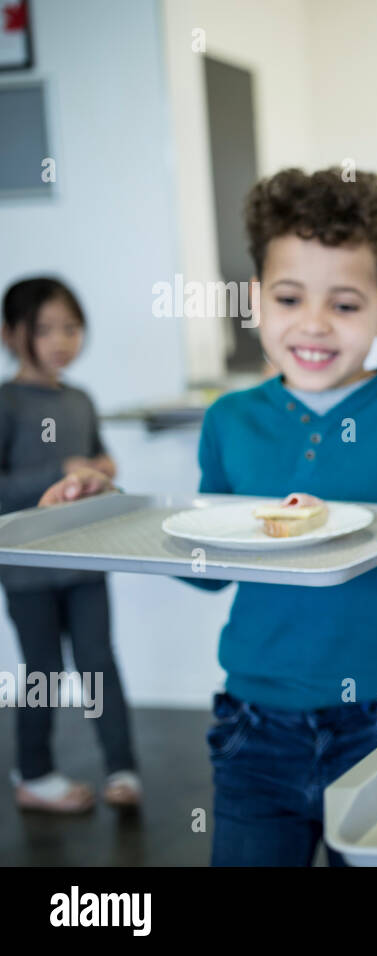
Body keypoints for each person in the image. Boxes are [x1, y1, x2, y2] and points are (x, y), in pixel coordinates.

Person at [40, 168, 377, 863]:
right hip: (256, 726)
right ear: (255, 299)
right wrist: (116, 513)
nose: (312, 324)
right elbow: (207, 568)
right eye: (289, 297)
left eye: (344, 305)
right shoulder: (232, 420)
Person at [1, 276, 141, 812]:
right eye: (45, 329)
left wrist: (102, 468)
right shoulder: (7, 403)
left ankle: (122, 767)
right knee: (41, 671)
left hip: (85, 559)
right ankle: (33, 774)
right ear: (11, 334)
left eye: (71, 328)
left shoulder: (81, 398)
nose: (61, 340)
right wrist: (54, 470)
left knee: (100, 662)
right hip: (26, 569)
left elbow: (98, 460)